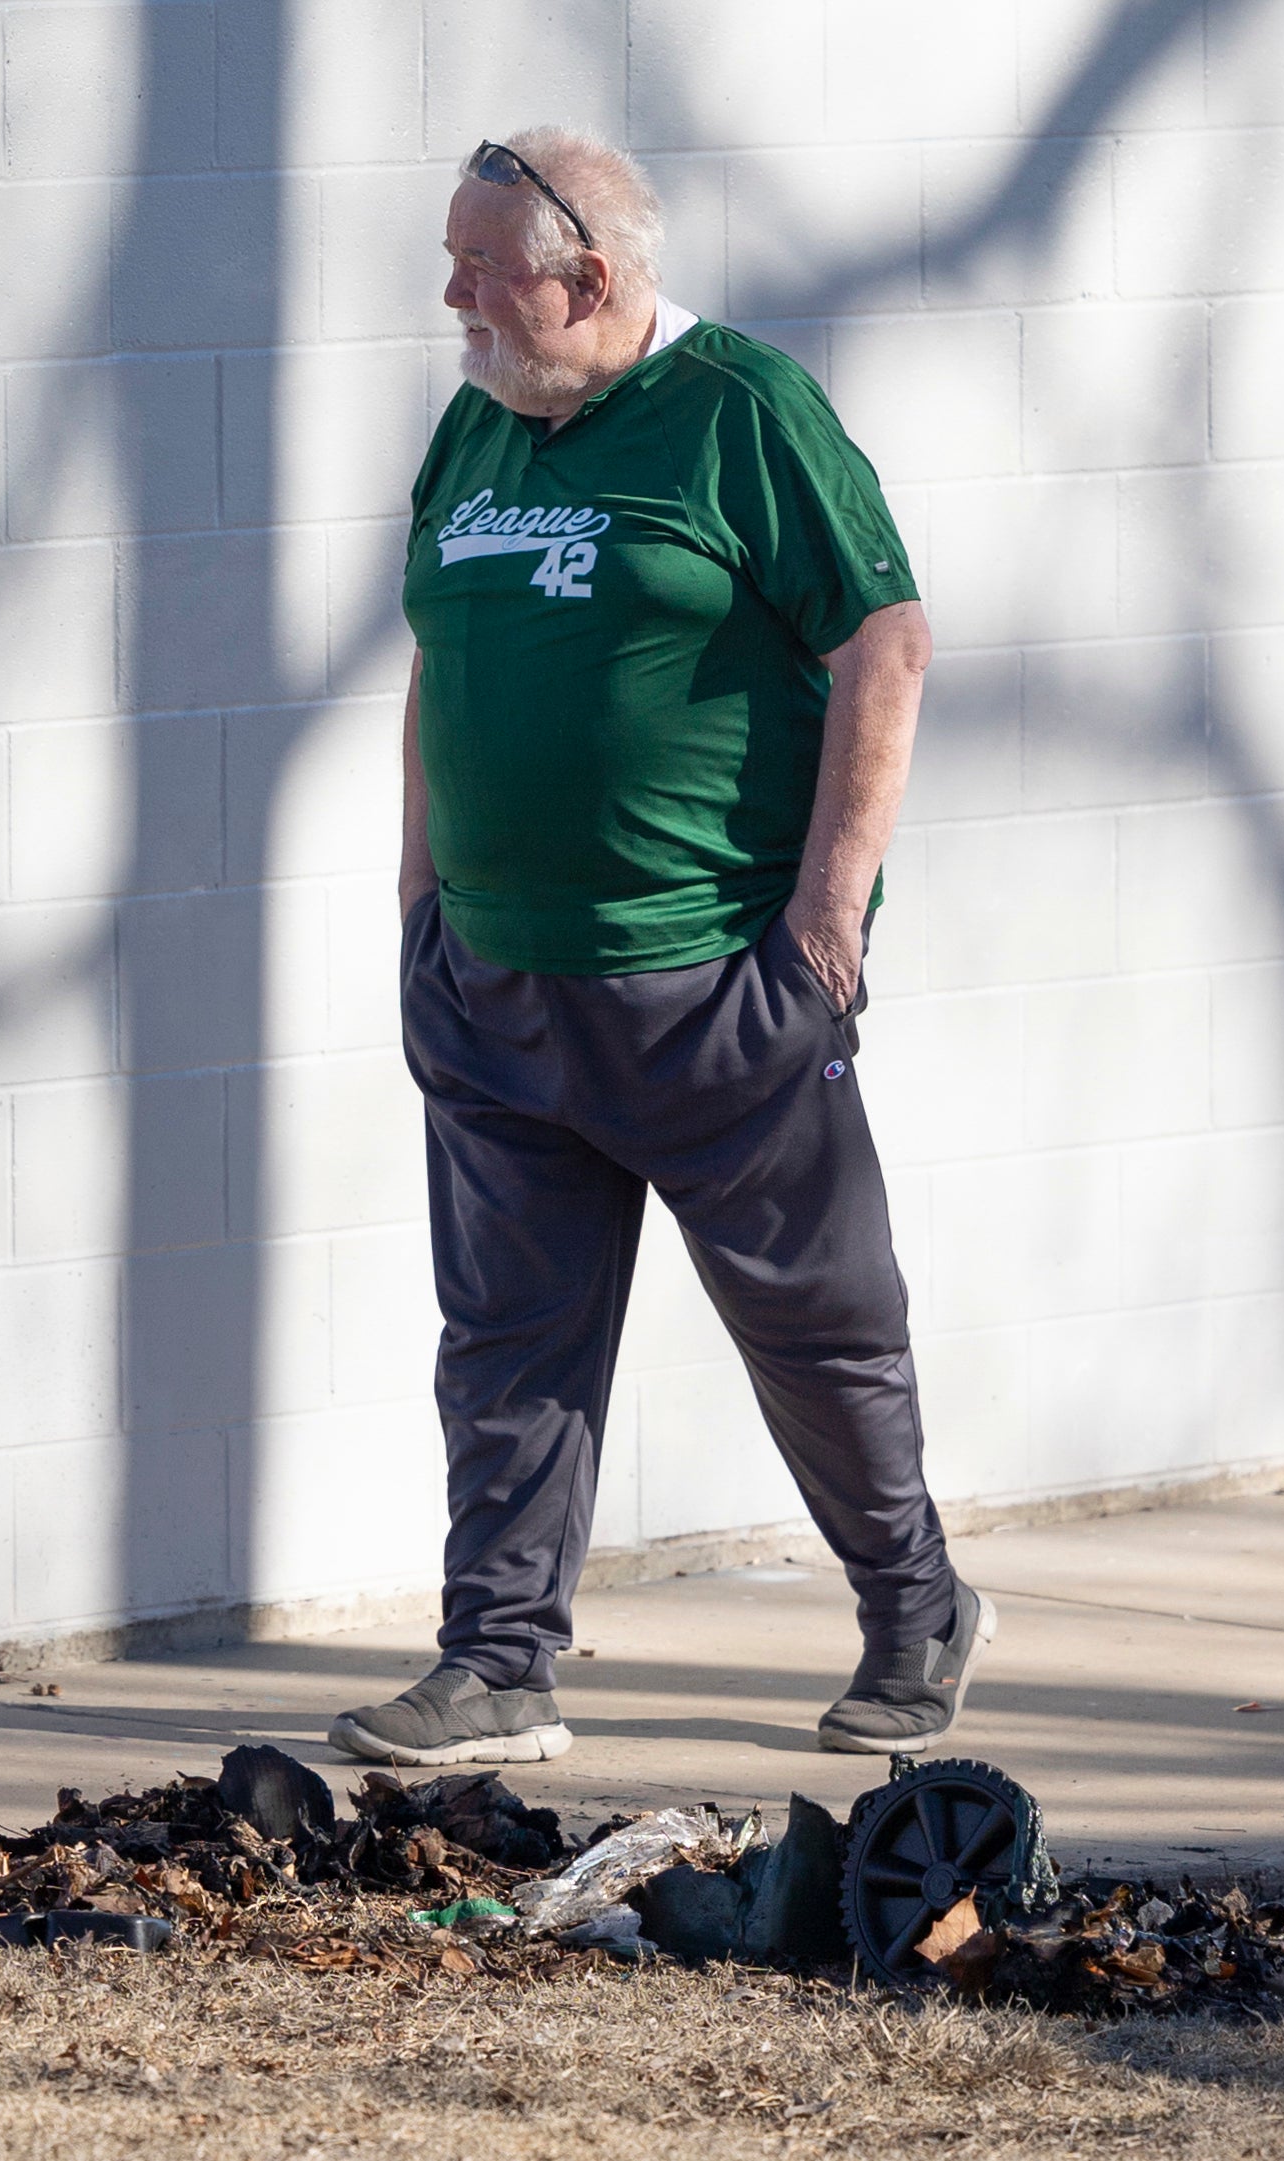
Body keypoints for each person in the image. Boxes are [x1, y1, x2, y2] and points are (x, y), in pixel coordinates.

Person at [329, 126, 990, 1768]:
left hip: (708, 982)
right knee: (505, 1349)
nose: (453, 298)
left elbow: (883, 641)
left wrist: (826, 923)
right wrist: (421, 907)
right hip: (496, 988)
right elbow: (438, 668)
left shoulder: (741, 412)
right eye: (453, 265)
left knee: (821, 1328)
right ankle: (493, 1666)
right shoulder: (475, 432)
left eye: (484, 272)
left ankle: (915, 1608)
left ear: (594, 278)